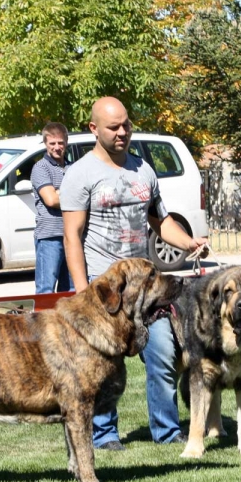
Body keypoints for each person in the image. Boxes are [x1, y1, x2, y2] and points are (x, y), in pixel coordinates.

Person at [60, 96, 208, 450]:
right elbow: (72, 235)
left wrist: (187, 242)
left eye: (126, 124)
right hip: (105, 290)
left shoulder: (143, 169)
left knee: (162, 355)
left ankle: (167, 433)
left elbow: (160, 221)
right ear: (94, 129)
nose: (123, 131)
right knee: (102, 365)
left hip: (148, 290)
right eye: (114, 127)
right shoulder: (79, 174)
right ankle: (105, 435)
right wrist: (83, 291)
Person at [30, 122, 74, 294]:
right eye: (52, 143)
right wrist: (72, 197)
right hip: (49, 236)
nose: (57, 147)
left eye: (60, 143)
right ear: (45, 144)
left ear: (66, 142)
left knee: (70, 290)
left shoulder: (73, 168)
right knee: (46, 290)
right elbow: (51, 200)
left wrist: (60, 193)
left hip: (72, 235)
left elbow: (86, 196)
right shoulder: (40, 168)